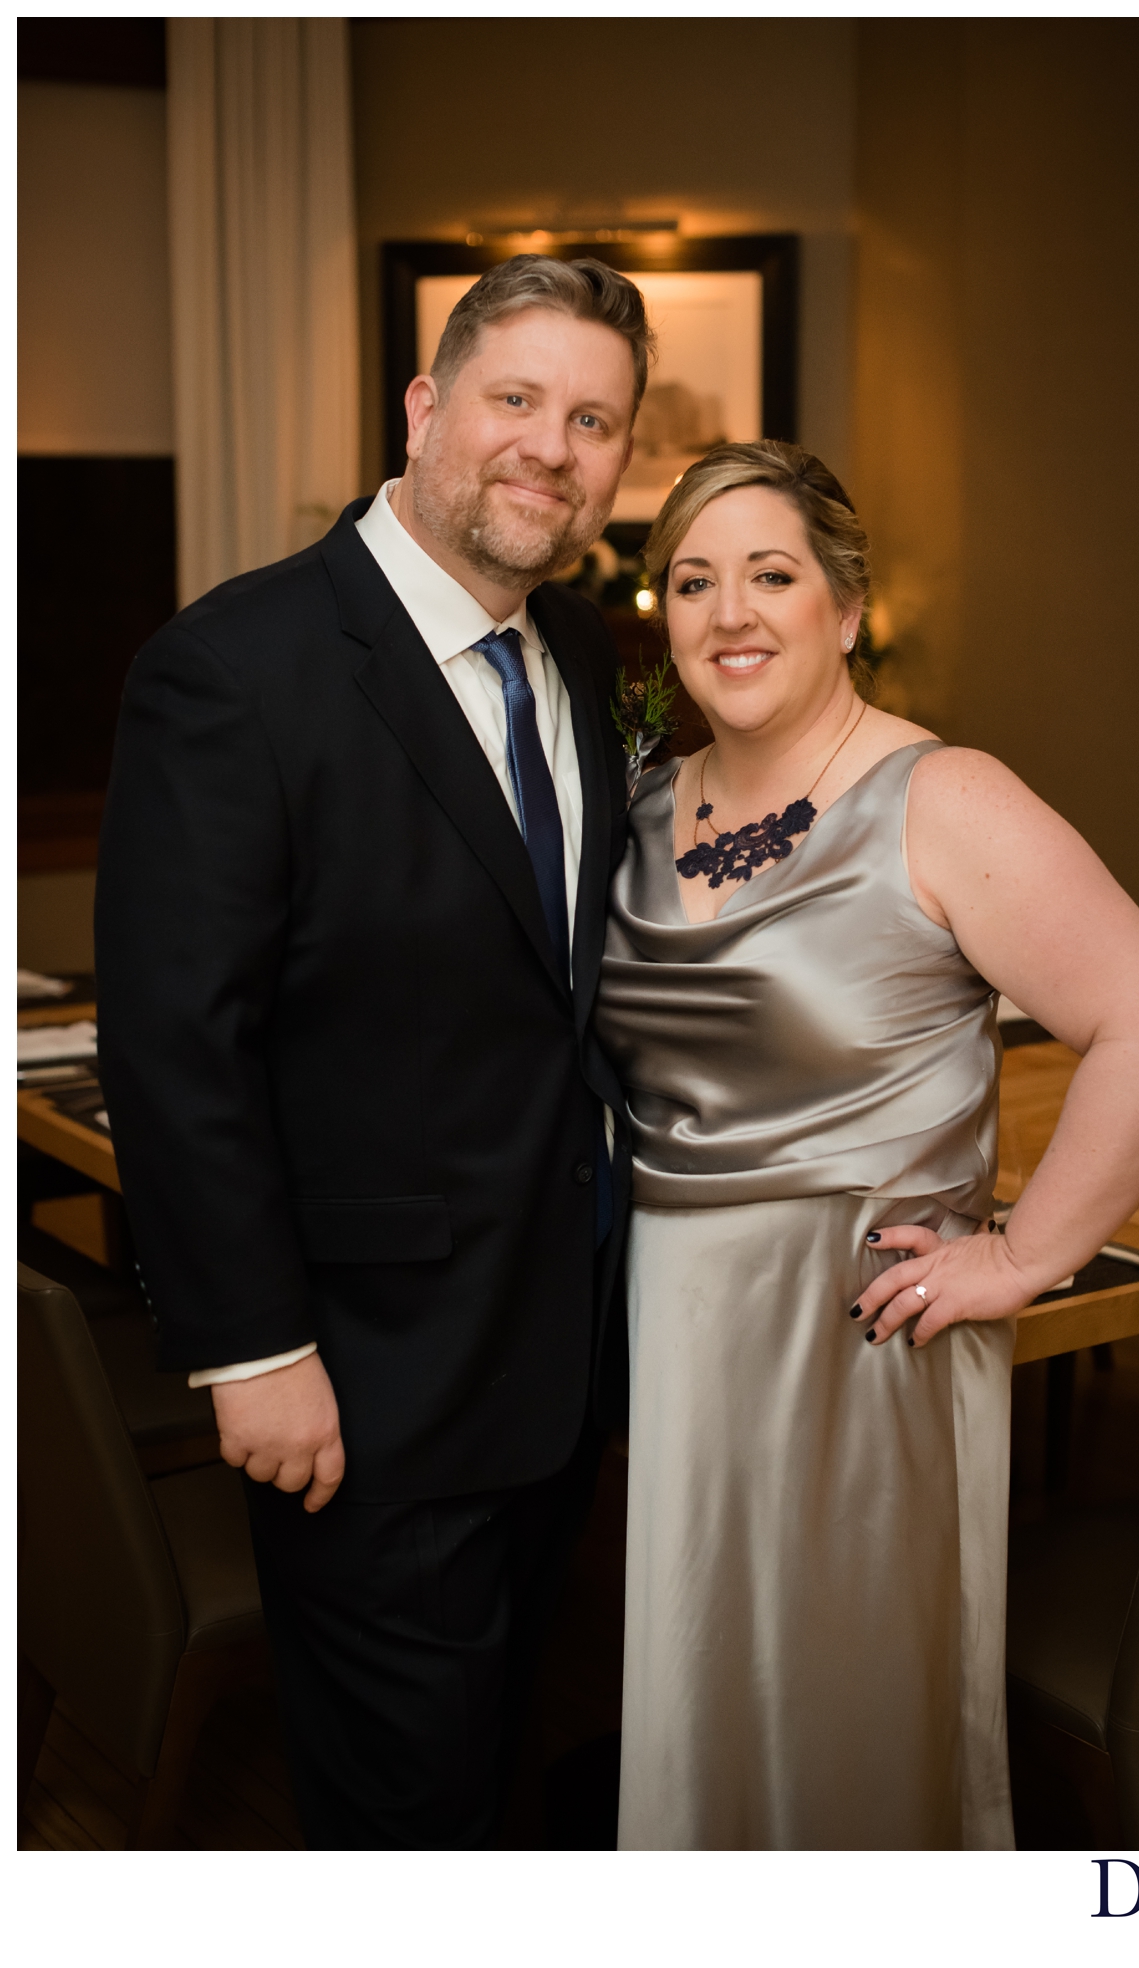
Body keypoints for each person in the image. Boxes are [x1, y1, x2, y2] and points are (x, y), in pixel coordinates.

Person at [95, 255, 650, 1843]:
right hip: (362, 1377)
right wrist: (252, 1350)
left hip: (555, 1358)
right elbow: (176, 1043)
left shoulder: (586, 656)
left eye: (595, 419)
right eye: (518, 399)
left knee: (499, 1757)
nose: (553, 446)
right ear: (426, 407)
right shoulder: (237, 669)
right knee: (398, 1820)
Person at [595, 441, 1139, 1847]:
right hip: (680, 1329)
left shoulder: (944, 800)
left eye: (771, 575)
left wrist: (1026, 1256)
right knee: (701, 1698)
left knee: (850, 1714)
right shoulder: (638, 814)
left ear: (848, 609)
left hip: (862, 1336)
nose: (730, 613)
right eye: (694, 582)